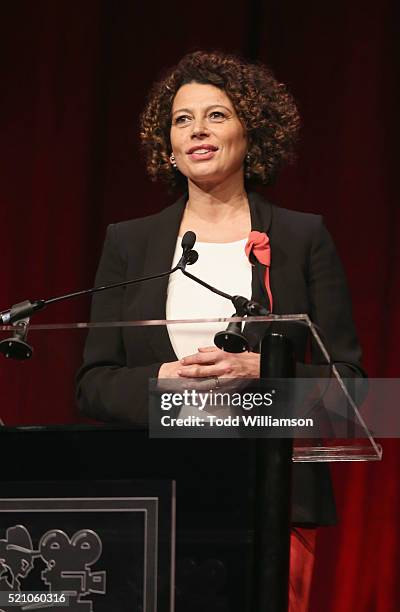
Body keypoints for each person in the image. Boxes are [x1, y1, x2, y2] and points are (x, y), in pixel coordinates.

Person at [77, 51, 364, 611]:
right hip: (155, 498)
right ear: (169, 146)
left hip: (273, 498)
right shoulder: (130, 243)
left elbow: (353, 392)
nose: (197, 131)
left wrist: (263, 373)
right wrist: (164, 379)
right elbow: (93, 383)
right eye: (182, 120)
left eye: (216, 115)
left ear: (250, 135)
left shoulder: (303, 237)